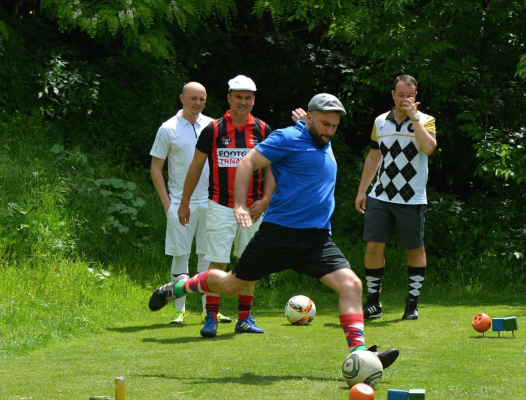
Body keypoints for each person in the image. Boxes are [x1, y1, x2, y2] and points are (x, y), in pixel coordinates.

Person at [149, 93, 400, 368]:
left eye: (334, 126)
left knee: (352, 285)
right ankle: (180, 286)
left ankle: (360, 355)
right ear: (309, 118)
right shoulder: (287, 138)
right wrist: (240, 205)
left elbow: (314, 144)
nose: (330, 131)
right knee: (232, 285)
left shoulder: (321, 139)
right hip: (279, 234)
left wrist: (312, 126)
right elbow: (247, 163)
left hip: (316, 238)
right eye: (325, 124)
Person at [176, 75, 276, 337]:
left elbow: (273, 170)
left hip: (253, 209)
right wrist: (184, 203)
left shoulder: (263, 130)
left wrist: (265, 201)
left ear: (254, 99)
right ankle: (210, 318)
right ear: (229, 97)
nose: (243, 102)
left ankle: (245, 318)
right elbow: (196, 167)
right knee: (217, 263)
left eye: (248, 97)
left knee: (249, 263)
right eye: (238, 97)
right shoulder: (214, 129)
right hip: (220, 205)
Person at [355, 74, 437, 320]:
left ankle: (412, 304)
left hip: (412, 198)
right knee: (373, 246)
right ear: (392, 95)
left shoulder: (426, 120)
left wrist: (414, 118)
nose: (405, 99)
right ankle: (373, 302)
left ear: (416, 97)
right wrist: (362, 191)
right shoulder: (380, 121)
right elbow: (373, 157)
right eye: (400, 95)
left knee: (414, 249)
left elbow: (428, 148)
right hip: (380, 195)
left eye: (409, 96)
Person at [149, 82, 214, 325]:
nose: (197, 103)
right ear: (182, 98)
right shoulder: (168, 128)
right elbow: (156, 169)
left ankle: (211, 311)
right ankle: (179, 310)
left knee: (208, 257)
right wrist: (168, 206)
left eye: (202, 98)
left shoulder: (211, 125)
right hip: (179, 203)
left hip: (210, 202)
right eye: (193, 98)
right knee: (180, 257)